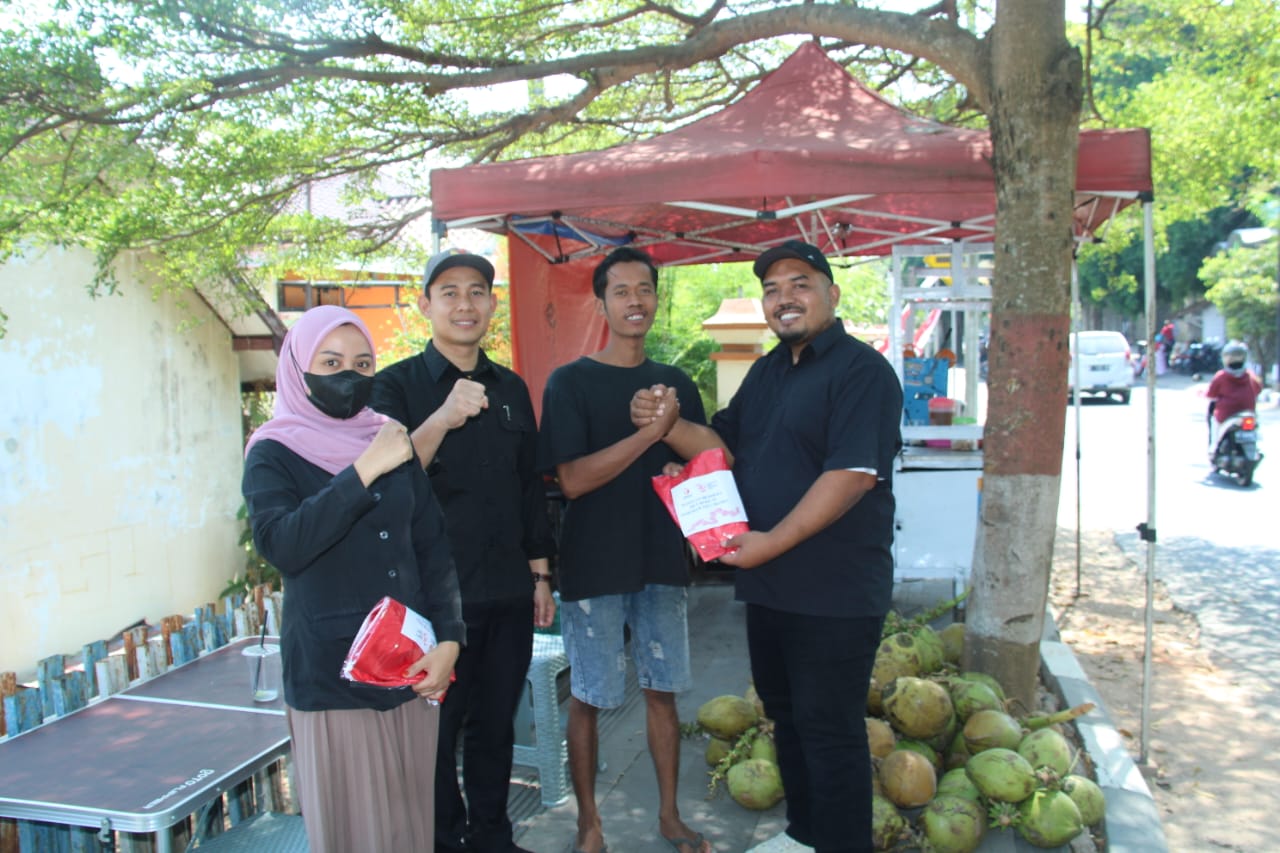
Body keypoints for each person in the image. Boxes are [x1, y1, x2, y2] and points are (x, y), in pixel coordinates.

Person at [633, 240, 903, 853]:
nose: (785, 297)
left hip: (834, 589)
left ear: (832, 295)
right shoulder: (767, 373)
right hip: (771, 586)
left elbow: (852, 475)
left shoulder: (863, 372)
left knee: (830, 731)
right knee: (788, 720)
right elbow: (720, 448)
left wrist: (770, 542)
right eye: (773, 288)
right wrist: (664, 423)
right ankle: (805, 835)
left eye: (800, 283)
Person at [242, 305, 464, 853]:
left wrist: (451, 640)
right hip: (334, 675)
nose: (350, 374)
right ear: (298, 368)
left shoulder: (387, 436)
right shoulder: (273, 450)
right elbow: (284, 546)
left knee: (412, 828)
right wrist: (363, 470)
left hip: (412, 668)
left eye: (363, 363)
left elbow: (431, 547)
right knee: (359, 834)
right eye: (332, 360)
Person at [370, 249, 557, 853]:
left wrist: (541, 574)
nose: (464, 304)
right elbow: (384, 481)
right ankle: (441, 842)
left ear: (492, 305)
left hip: (505, 588)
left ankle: (493, 839)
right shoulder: (394, 387)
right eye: (448, 292)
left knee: (495, 725)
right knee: (435, 731)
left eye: (477, 291)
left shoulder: (510, 387)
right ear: (425, 306)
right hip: (431, 598)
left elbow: (529, 488)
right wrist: (442, 419)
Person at [537, 246, 712, 853]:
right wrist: (649, 436)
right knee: (589, 695)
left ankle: (669, 814)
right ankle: (590, 824)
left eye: (645, 289)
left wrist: (677, 430)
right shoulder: (572, 382)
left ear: (655, 299)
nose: (635, 301)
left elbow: (714, 456)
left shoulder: (677, 382)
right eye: (621, 291)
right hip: (594, 565)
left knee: (663, 692)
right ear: (602, 302)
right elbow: (574, 480)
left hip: (661, 558)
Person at [1206, 340, 1262, 448]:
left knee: (1214, 423)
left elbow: (1211, 395)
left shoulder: (1221, 376)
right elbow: (1258, 389)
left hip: (1226, 413)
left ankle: (1213, 448)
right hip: (1248, 412)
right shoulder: (1250, 375)